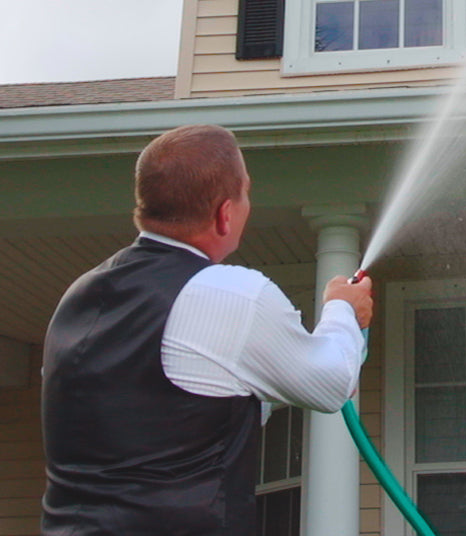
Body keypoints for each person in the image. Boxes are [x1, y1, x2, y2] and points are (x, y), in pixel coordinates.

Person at [41, 124, 373, 536]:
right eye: (245, 192)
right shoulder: (231, 293)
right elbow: (332, 384)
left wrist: (284, 376)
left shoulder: (80, 295)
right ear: (224, 213)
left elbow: (176, 410)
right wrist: (342, 309)